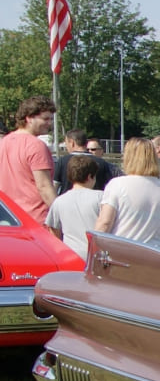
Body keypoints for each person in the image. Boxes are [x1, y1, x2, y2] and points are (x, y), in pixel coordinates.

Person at [95, 138, 160, 246]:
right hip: (155, 255)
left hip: (123, 252)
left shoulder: (117, 184)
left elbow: (105, 223)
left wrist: (94, 246)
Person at [0, 95, 57, 224]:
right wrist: (60, 213)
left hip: (10, 218)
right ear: (29, 118)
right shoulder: (36, 145)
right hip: (35, 218)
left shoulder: (4, 142)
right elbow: (44, 186)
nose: (49, 123)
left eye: (51, 119)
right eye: (45, 119)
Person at [46, 153, 103, 258]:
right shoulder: (100, 197)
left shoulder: (59, 201)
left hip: (70, 255)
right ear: (90, 176)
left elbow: (53, 231)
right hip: (95, 255)